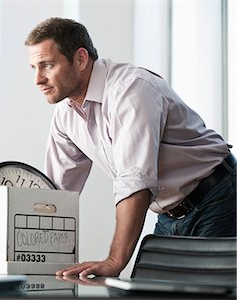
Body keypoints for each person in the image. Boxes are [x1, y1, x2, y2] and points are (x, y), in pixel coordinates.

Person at [24, 17, 236, 278]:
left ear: (80, 59)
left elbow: (136, 180)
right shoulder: (65, 115)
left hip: (219, 196)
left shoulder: (131, 89)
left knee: (207, 295)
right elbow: (56, 195)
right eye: (33, 67)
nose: (37, 79)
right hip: (170, 214)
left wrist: (115, 261)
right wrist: (27, 261)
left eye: (46, 65)